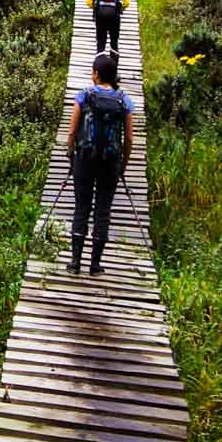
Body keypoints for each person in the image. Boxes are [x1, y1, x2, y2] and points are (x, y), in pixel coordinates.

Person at [65, 49, 135, 276]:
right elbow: (130, 138)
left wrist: (71, 154)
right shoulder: (124, 100)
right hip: (110, 162)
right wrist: (123, 164)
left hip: (85, 159)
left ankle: (75, 262)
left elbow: (72, 131)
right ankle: (95, 265)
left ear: (96, 74)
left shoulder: (84, 95)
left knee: (81, 207)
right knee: (103, 210)